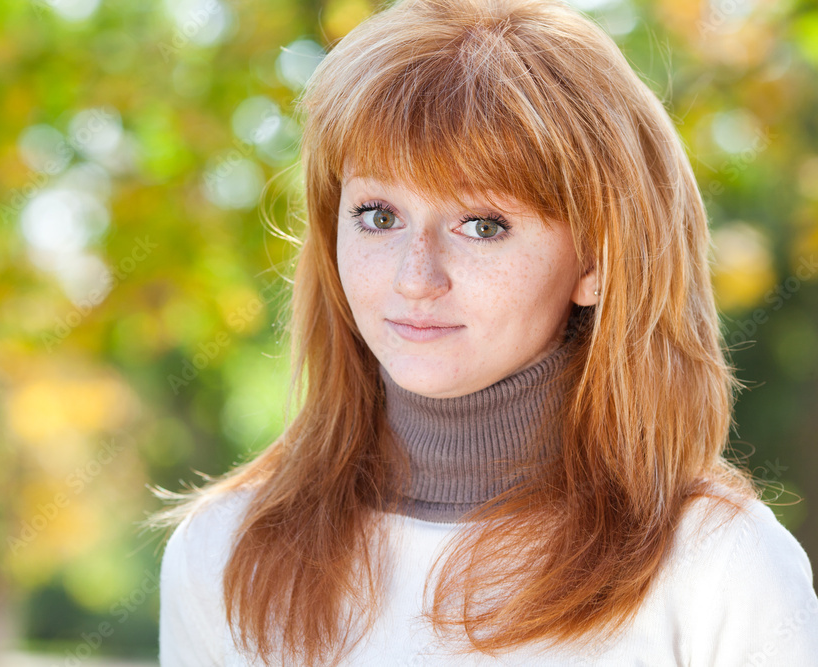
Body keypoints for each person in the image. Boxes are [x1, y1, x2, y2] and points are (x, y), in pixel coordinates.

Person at [150, 0, 818, 664]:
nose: (416, 277)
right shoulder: (221, 556)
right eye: (379, 214)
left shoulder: (719, 569)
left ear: (596, 261)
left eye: (483, 224)